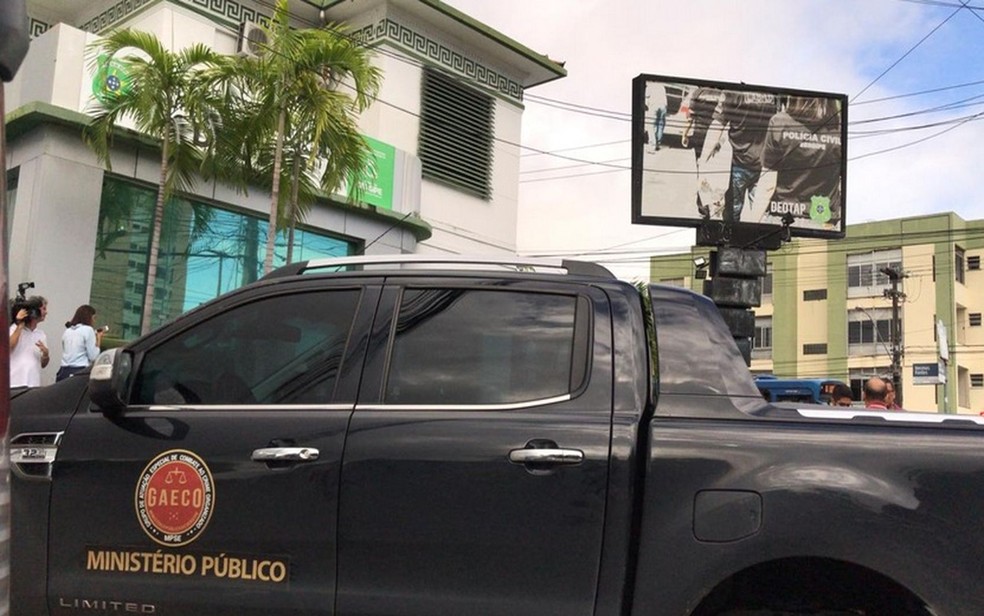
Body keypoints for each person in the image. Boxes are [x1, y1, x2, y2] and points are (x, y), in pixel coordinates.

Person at [752, 96, 843, 228]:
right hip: (822, 221)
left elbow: (767, 186)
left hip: (782, 219)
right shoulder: (839, 129)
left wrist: (751, 229)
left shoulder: (780, 122)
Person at [702, 90, 779, 223]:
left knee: (732, 216)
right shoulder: (773, 90)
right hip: (765, 165)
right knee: (762, 216)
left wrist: (702, 163)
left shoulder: (732, 92)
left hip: (740, 163)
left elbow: (717, 125)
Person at [57, 304, 106, 382]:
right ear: (88, 318)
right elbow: (93, 356)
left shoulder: (68, 331)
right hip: (79, 371)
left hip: (63, 371)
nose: (94, 321)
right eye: (93, 318)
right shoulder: (88, 330)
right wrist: (98, 338)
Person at [9, 295, 50, 387]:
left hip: (33, 384)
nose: (46, 312)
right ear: (35, 311)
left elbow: (43, 364)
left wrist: (46, 355)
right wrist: (20, 325)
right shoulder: (14, 329)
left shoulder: (41, 334)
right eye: (43, 309)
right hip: (14, 383)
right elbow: (8, 347)